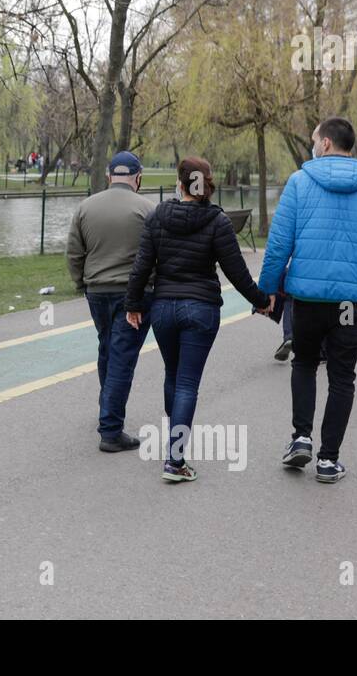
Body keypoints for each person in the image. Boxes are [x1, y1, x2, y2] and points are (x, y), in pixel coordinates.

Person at [257, 117, 357, 484]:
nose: (311, 145)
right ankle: (328, 459)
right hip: (352, 303)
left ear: (324, 144)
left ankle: (301, 438)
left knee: (305, 363)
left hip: (308, 298)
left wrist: (267, 293)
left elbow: (278, 245)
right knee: (342, 376)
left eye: (312, 140)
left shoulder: (299, 182)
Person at [124, 157, 267, 482]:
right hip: (200, 309)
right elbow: (237, 272)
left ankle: (175, 431)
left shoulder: (158, 216)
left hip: (163, 309)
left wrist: (132, 303)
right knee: (188, 382)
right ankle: (175, 462)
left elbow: (142, 264)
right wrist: (261, 302)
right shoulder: (217, 221)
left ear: (180, 183)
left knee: (173, 374)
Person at [66, 151, 155, 453]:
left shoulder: (85, 207)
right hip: (133, 295)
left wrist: (82, 282)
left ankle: (107, 409)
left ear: (108, 177)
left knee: (107, 347)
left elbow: (74, 254)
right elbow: (156, 257)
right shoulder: (147, 209)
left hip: (97, 291)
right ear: (137, 178)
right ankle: (111, 430)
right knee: (122, 357)